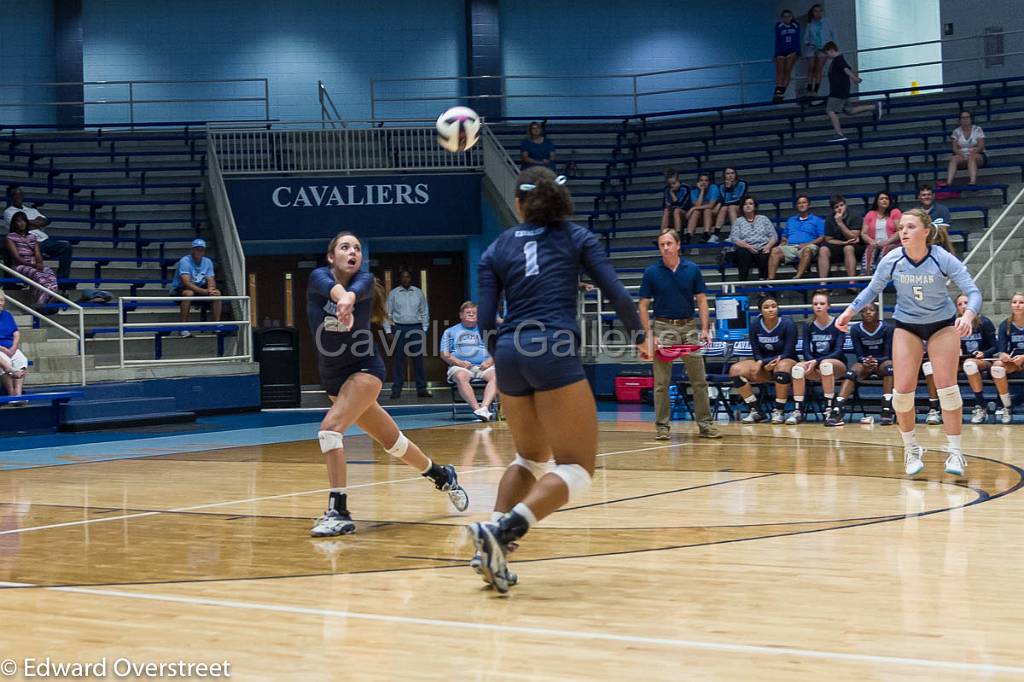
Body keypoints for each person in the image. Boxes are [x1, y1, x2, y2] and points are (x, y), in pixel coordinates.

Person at [468, 167, 648, 593]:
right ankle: (506, 530)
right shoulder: (576, 237)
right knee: (577, 468)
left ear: (518, 203)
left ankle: (487, 547)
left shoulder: (495, 248)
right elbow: (617, 293)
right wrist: (641, 336)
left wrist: (504, 357)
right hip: (554, 347)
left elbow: (486, 319)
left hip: (511, 352)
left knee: (528, 458)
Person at [307, 231, 469, 537]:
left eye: (357, 247)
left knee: (330, 430)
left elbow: (352, 294)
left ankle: (339, 511)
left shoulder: (365, 282)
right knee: (393, 443)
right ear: (332, 257)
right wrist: (340, 299)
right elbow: (332, 290)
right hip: (333, 379)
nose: (352, 251)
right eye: (345, 247)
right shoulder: (318, 277)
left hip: (365, 370)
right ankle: (441, 474)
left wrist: (347, 300)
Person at [836, 208, 982, 478]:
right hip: (907, 325)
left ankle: (956, 452)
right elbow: (872, 289)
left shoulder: (942, 258)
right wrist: (849, 311)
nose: (903, 231)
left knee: (947, 389)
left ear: (926, 232)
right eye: (901, 227)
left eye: (910, 227)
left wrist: (969, 315)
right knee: (902, 394)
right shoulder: (892, 259)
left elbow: (972, 291)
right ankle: (912, 449)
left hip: (941, 324)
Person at [639, 228, 721, 440]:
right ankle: (662, 427)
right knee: (661, 383)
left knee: (699, 380)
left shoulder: (692, 269)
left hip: (689, 326)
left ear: (677, 245)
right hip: (662, 327)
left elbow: (702, 299)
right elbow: (643, 304)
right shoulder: (651, 272)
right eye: (661, 245)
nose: (665, 248)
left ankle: (706, 425)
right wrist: (649, 334)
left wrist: (704, 328)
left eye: (668, 243)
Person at [731, 294, 797, 424]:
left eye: (774, 306)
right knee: (735, 370)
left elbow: (788, 352)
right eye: (766, 307)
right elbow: (756, 352)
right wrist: (762, 363)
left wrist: (763, 362)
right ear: (760, 310)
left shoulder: (788, 324)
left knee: (781, 367)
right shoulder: (755, 325)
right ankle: (756, 411)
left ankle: (779, 411)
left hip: (787, 362)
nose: (771, 309)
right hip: (764, 365)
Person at [787, 290, 847, 425]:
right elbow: (806, 349)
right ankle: (798, 410)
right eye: (815, 304)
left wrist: (816, 361)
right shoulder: (808, 325)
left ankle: (829, 409)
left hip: (837, 364)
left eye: (822, 303)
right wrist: (811, 362)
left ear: (828, 306)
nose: (818, 306)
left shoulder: (838, 323)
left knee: (826, 364)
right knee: (797, 368)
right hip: (814, 365)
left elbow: (838, 351)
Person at [834, 302, 894, 426]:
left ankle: (887, 409)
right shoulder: (855, 329)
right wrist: (865, 361)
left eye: (871, 310)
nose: (868, 312)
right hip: (864, 363)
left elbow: (888, 353)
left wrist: (876, 361)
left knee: (890, 367)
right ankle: (838, 409)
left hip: (882, 363)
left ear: (877, 312)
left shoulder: (887, 328)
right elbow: (859, 354)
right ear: (860, 313)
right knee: (851, 372)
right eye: (864, 310)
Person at [3, 186, 74, 290]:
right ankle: (36, 285)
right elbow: (18, 226)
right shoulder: (9, 211)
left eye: (20, 194)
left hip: (45, 240)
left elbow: (45, 221)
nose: (18, 196)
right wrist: (36, 223)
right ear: (11, 197)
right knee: (35, 259)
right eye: (15, 194)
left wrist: (30, 222)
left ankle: (62, 280)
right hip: (27, 242)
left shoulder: (32, 210)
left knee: (66, 246)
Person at [441, 301, 496, 422]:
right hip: (461, 367)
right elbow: (444, 354)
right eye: (468, 312)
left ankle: (484, 408)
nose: (471, 315)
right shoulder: (450, 331)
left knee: (496, 376)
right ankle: (477, 409)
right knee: (461, 377)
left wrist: (490, 361)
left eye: (474, 313)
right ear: (461, 315)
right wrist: (459, 362)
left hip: (485, 367)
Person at [950, 293, 997, 425]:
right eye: (960, 304)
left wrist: (983, 352)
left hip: (983, 360)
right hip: (961, 360)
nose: (963, 306)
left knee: (970, 365)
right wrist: (955, 349)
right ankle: (951, 408)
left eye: (966, 303)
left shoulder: (984, 322)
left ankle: (980, 406)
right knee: (945, 368)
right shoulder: (954, 324)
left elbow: (995, 346)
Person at [823, 42, 882, 142]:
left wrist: (854, 78)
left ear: (831, 50)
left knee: (830, 110)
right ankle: (873, 107)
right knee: (849, 110)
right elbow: (847, 69)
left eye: (826, 53)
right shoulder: (839, 60)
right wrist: (854, 77)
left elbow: (846, 69)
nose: (826, 55)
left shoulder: (838, 60)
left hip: (838, 91)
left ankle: (839, 134)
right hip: (842, 90)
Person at [385, 269, 431, 399]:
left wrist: (425, 329)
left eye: (408, 277)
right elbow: (387, 313)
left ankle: (422, 389)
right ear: (400, 279)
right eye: (403, 277)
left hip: (416, 328)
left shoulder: (418, 293)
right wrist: (388, 331)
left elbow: (424, 312)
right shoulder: (394, 294)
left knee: (419, 360)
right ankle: (396, 390)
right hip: (399, 328)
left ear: (411, 278)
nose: (406, 279)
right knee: (398, 360)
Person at [168, 238, 222, 337]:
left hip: (199, 288)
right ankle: (183, 328)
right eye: (197, 249)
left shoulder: (208, 261)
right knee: (189, 293)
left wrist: (211, 289)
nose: (199, 251)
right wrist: (204, 292)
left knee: (217, 293)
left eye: (201, 249)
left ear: (204, 251)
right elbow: (186, 282)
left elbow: (210, 279)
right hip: (180, 288)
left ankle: (216, 325)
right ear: (192, 250)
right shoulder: (185, 261)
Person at [5, 212, 58, 310]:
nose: (22, 223)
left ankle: (49, 298)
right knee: (38, 275)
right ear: (14, 223)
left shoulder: (33, 237)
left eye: (23, 221)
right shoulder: (10, 237)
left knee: (50, 273)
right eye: (18, 221)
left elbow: (37, 254)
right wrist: (33, 265)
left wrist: (40, 263)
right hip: (19, 266)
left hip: (33, 264)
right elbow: (16, 257)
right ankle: (41, 302)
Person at [767, 195, 825, 279]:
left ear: (809, 205)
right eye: (799, 203)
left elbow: (821, 237)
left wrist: (806, 244)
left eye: (804, 202)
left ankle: (797, 278)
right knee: (775, 250)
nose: (801, 205)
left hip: (809, 246)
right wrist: (784, 240)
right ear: (796, 206)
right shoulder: (791, 220)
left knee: (807, 250)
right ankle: (771, 280)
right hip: (790, 246)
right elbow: (784, 235)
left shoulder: (817, 220)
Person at [992, 291, 1024, 424]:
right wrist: (1004, 355)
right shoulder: (1006, 324)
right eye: (1014, 302)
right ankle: (1007, 406)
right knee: (997, 367)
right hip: (1014, 362)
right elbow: (1001, 350)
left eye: (1021, 302)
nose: (1017, 305)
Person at [730, 196, 777, 281]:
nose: (748, 206)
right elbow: (734, 238)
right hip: (746, 248)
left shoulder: (763, 219)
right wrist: (748, 246)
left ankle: (763, 283)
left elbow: (773, 236)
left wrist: (768, 246)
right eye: (745, 204)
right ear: (742, 207)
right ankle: (743, 282)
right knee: (742, 253)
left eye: (750, 204)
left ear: (755, 206)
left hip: (763, 247)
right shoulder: (738, 221)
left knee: (765, 254)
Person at [818, 194, 862, 279]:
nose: (839, 208)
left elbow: (854, 237)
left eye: (842, 205)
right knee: (823, 249)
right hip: (838, 245)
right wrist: (843, 242)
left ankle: (852, 283)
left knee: (848, 248)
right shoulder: (829, 218)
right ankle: (822, 285)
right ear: (833, 209)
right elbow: (829, 239)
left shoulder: (854, 216)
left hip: (855, 245)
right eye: (836, 207)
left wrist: (840, 223)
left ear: (846, 205)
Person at [0, 291, 29, 406]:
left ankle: (18, 394)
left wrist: (14, 347)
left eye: (2, 300)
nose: (0, 303)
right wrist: (4, 349)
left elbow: (16, 333)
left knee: (22, 360)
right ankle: (11, 395)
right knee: (4, 361)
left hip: (10, 348)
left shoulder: (7, 315)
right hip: (1, 350)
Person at [861, 191, 902, 273]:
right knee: (870, 249)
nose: (884, 200)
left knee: (886, 249)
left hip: (892, 243)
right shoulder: (870, 214)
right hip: (875, 243)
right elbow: (863, 233)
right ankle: (866, 273)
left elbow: (900, 231)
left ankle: (880, 273)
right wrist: (871, 241)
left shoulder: (895, 212)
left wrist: (887, 242)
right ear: (877, 201)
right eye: (881, 199)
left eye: (886, 199)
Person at [945, 110, 986, 187]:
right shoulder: (956, 131)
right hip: (962, 155)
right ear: (960, 120)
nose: (965, 119)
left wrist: (972, 153)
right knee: (953, 159)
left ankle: (972, 181)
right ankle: (949, 182)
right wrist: (962, 154)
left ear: (971, 119)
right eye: (963, 118)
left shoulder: (977, 129)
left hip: (977, 154)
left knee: (972, 158)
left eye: (967, 117)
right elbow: (955, 149)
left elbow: (981, 146)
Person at [803, 4, 835, 95]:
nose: (818, 13)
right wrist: (810, 44)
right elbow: (806, 38)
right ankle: (809, 88)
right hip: (812, 48)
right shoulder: (810, 24)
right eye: (816, 11)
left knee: (818, 68)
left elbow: (832, 34)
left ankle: (815, 90)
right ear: (813, 13)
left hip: (824, 48)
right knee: (811, 68)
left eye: (820, 11)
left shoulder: (827, 22)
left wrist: (830, 47)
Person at [711, 167, 747, 242]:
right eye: (728, 173)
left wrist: (729, 190)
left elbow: (738, 200)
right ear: (724, 176)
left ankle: (734, 234)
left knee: (730, 207)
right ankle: (715, 235)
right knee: (724, 208)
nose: (730, 175)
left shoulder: (742, 184)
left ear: (735, 174)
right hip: (727, 211)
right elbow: (724, 200)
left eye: (732, 173)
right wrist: (727, 189)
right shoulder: (721, 186)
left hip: (741, 208)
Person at [773, 9, 801, 103]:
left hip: (792, 51)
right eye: (785, 16)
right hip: (781, 51)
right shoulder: (779, 26)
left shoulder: (795, 26)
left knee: (787, 70)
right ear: (782, 18)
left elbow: (797, 40)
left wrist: (798, 52)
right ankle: (777, 92)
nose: (787, 18)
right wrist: (776, 54)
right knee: (780, 72)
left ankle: (781, 92)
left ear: (791, 17)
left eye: (789, 16)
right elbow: (777, 40)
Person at [684, 173, 721, 244]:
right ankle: (689, 235)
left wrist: (692, 208)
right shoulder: (694, 191)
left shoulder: (713, 188)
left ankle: (706, 234)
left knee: (707, 210)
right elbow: (698, 205)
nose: (703, 182)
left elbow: (711, 206)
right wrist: (702, 191)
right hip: (700, 216)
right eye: (701, 180)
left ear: (709, 182)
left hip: (712, 215)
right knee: (696, 212)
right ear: (698, 182)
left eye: (706, 181)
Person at [660, 168, 691, 234]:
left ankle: (678, 234)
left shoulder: (686, 188)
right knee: (666, 211)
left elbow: (681, 205)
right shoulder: (666, 189)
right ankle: (662, 234)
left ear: (677, 179)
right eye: (670, 184)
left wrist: (672, 193)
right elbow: (665, 205)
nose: (672, 186)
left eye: (674, 183)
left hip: (686, 213)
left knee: (676, 210)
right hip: (672, 211)